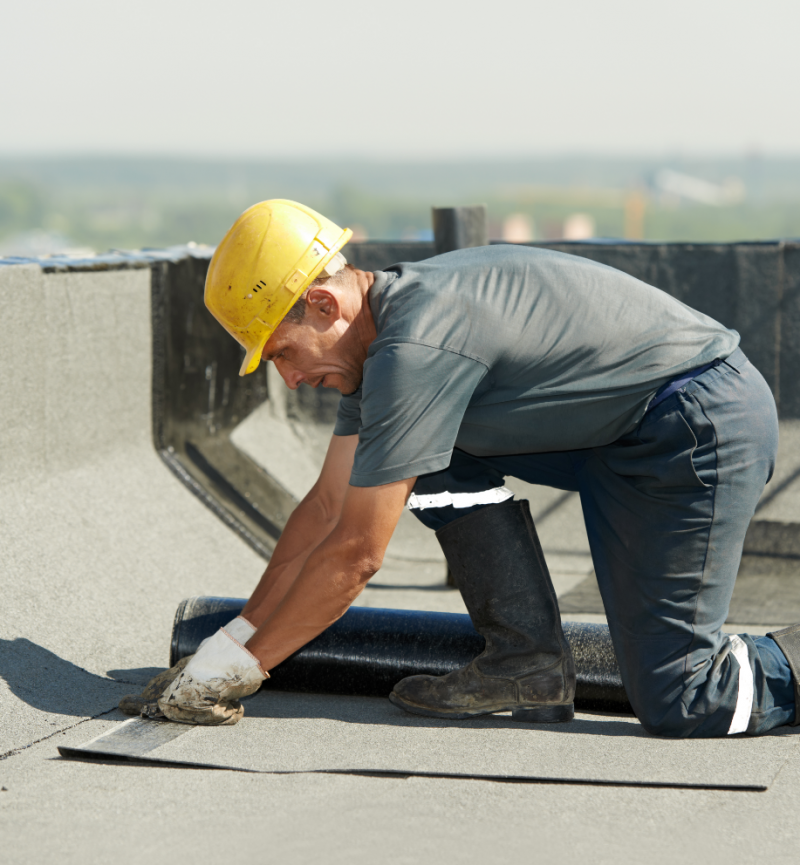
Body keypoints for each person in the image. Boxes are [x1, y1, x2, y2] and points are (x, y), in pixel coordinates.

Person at [127, 198, 800, 737]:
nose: (293, 379)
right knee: (423, 457)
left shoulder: (415, 347)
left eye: (282, 354)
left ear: (325, 306)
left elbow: (356, 554)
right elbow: (328, 511)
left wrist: (243, 671)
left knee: (684, 696)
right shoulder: (376, 359)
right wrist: (229, 639)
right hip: (617, 436)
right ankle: (525, 663)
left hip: (694, 428)